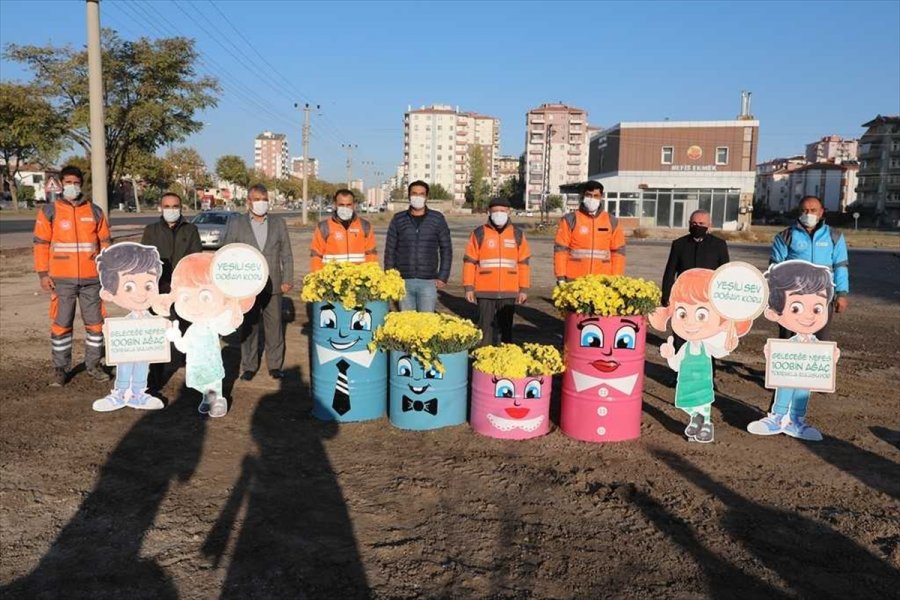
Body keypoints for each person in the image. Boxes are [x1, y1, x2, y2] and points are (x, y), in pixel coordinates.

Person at [649, 269, 754, 444]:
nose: (690, 322)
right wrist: (669, 355)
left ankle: (705, 426)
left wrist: (729, 345)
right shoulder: (685, 347)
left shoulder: (707, 346)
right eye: (682, 314)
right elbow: (676, 365)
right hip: (686, 384)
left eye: (701, 315)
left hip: (703, 384)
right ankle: (696, 418)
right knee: (686, 404)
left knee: (704, 405)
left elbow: (719, 352)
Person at [33, 164, 112, 386]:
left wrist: (106, 272)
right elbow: (41, 244)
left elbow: (105, 243)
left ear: (81, 185)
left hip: (92, 280)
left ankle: (94, 365)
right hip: (61, 280)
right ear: (61, 184)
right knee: (62, 324)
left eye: (76, 183)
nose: (72, 186)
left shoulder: (95, 211)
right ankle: (60, 369)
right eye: (68, 182)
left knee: (96, 325)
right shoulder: (50, 211)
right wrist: (43, 274)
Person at [747, 261, 838, 441]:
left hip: (807, 367)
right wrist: (773, 354)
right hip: (788, 363)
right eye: (796, 308)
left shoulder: (816, 345)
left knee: (804, 389)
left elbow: (823, 362)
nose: (809, 316)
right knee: (785, 383)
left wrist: (830, 358)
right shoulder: (787, 345)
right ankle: (778, 416)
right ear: (774, 312)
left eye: (817, 308)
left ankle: (796, 419)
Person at [165, 253, 255, 418]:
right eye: (185, 297)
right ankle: (208, 398)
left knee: (213, 381)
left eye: (205, 296)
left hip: (211, 363)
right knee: (200, 382)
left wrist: (234, 307)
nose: (194, 304)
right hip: (196, 365)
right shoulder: (192, 329)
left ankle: (218, 399)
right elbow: (184, 347)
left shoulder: (213, 324)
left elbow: (227, 326)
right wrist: (175, 336)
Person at [222, 184, 294, 381]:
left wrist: (287, 279)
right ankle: (249, 366)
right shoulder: (237, 223)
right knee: (249, 327)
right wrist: (230, 284)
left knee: (275, 326)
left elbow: (286, 253)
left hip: (274, 284)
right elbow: (227, 252)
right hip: (247, 287)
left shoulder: (279, 223)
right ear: (248, 202)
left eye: (264, 199)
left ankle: (275, 365)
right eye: (257, 199)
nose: (261, 203)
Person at [92, 243, 166, 412]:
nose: (141, 293)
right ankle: (120, 392)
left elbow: (161, 333)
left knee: (142, 363)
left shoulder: (152, 321)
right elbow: (114, 336)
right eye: (129, 287)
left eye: (148, 286)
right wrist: (110, 333)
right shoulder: (123, 325)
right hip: (125, 345)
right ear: (108, 293)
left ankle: (138, 392)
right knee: (124, 361)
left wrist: (166, 329)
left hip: (144, 344)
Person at [660, 209, 730, 382]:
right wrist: (666, 296)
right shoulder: (679, 244)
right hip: (683, 301)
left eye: (701, 224)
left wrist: (725, 300)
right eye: (694, 223)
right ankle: (680, 375)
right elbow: (670, 272)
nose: (697, 226)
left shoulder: (719, 245)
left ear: (709, 225)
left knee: (708, 339)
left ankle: (707, 378)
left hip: (708, 302)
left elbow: (725, 273)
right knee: (681, 338)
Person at [769, 195, 849, 341]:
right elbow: (775, 268)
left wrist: (842, 294)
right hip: (791, 297)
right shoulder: (785, 236)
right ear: (799, 212)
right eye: (804, 210)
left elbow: (840, 266)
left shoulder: (834, 236)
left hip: (823, 297)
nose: (808, 214)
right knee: (788, 339)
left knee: (820, 340)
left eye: (813, 210)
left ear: (821, 212)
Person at [463, 198, 531, 347]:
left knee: (505, 332)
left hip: (509, 291)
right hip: (484, 291)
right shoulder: (479, 233)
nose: (499, 214)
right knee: (484, 330)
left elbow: (523, 263)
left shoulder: (517, 234)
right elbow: (469, 261)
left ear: (509, 212)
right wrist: (468, 287)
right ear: (489, 212)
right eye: (495, 211)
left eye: (502, 211)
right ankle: (483, 358)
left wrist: (523, 289)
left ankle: (504, 359)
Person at [383, 180, 452, 311]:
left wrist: (443, 276)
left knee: (426, 320)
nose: (417, 197)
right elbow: (390, 249)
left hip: (428, 281)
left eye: (421, 194)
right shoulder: (398, 219)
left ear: (427, 197)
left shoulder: (437, 219)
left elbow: (446, 249)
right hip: (403, 280)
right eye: (414, 193)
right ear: (409, 196)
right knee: (406, 320)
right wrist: (390, 275)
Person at [553, 180, 625, 283]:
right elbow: (561, 249)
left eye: (596, 196)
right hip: (574, 279)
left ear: (601, 197)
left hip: (602, 280)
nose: (592, 199)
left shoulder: (611, 221)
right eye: (589, 195)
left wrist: (616, 278)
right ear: (583, 195)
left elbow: (618, 252)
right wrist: (560, 276)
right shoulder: (570, 220)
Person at [140, 192, 202, 295]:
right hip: (158, 287)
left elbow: (196, 257)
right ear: (161, 208)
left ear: (181, 208)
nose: (171, 210)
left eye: (175, 206)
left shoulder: (191, 230)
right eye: (167, 206)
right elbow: (145, 259)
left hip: (184, 286)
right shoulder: (151, 230)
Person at [309, 189, 377, 271]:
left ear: (354, 205)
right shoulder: (324, 227)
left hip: (359, 277)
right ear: (335, 205)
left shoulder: (365, 226)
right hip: (332, 277)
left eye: (348, 205)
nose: (345, 208)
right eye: (341, 205)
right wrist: (318, 276)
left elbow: (371, 254)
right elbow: (316, 255)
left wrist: (369, 274)